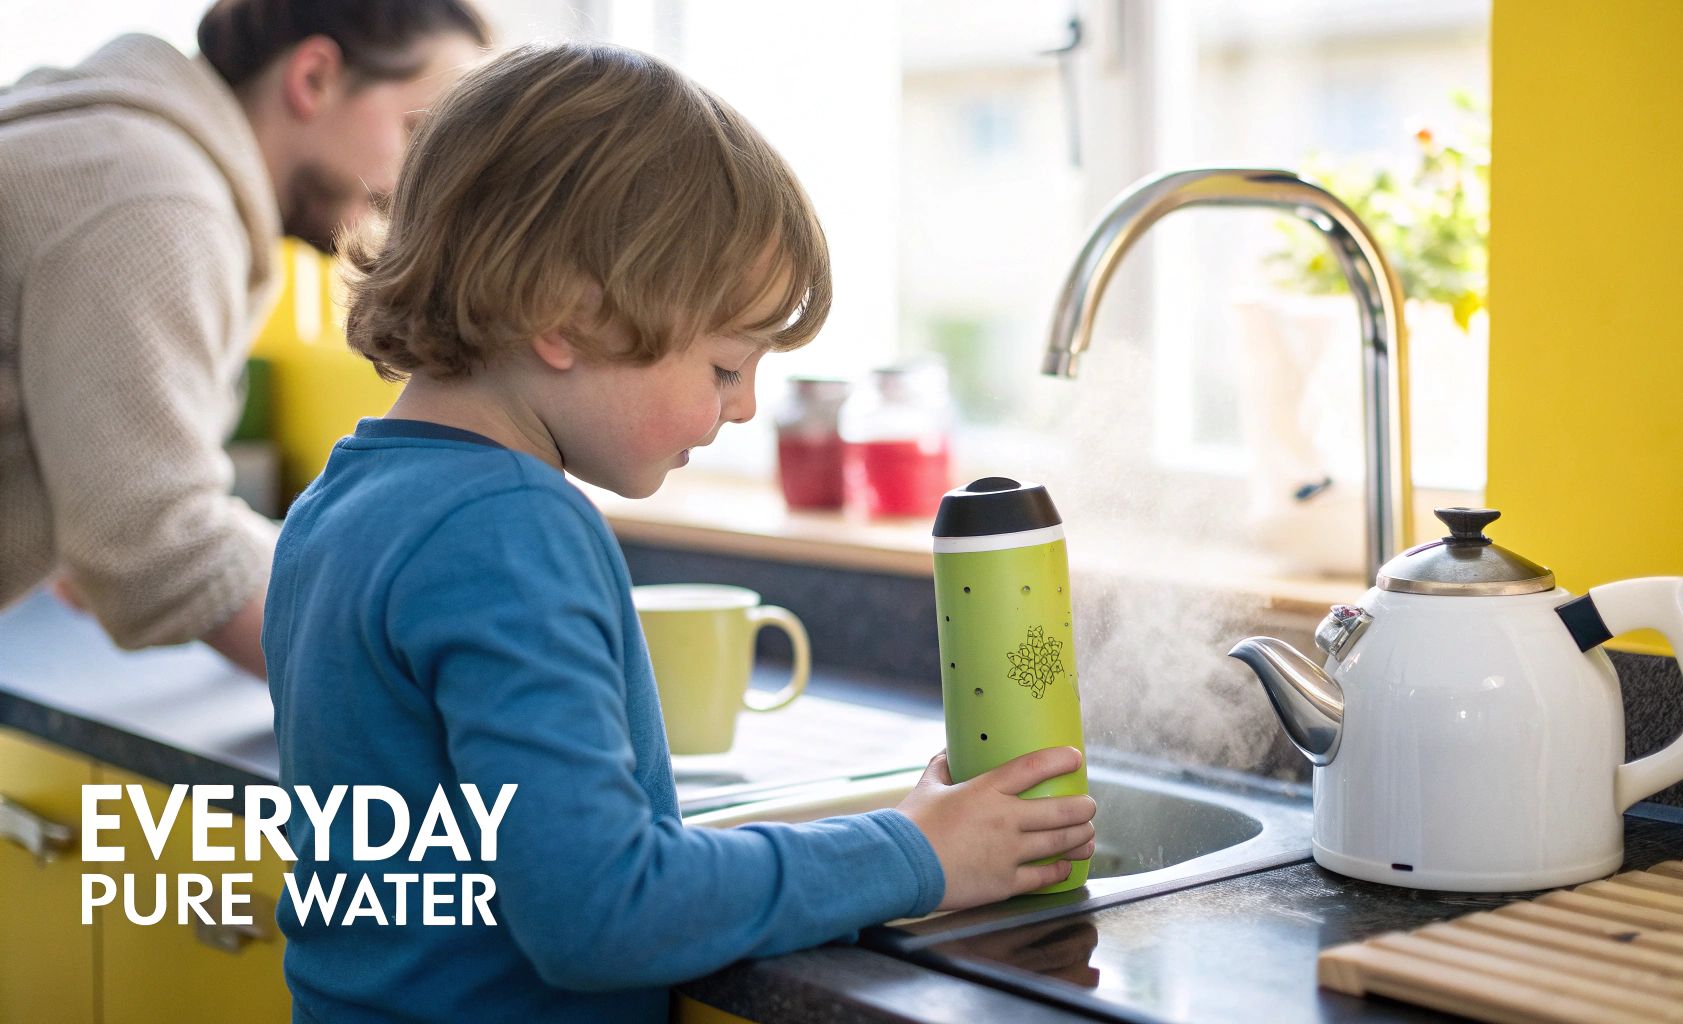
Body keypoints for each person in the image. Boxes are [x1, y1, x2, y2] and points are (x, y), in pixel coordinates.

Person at [263, 43, 1098, 1023]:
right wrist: (916, 855)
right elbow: (602, 909)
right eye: (722, 366)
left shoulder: (338, 502)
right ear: (564, 315)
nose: (744, 408)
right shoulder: (512, 528)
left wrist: (904, 833)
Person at [0, 0, 489, 676]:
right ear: (313, 77)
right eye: (420, 139)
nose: (422, 193)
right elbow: (159, 552)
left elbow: (118, 526)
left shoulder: (111, 144)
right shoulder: (154, 198)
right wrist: (417, 685)